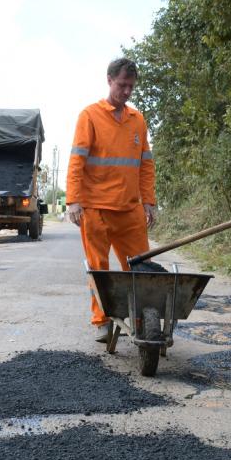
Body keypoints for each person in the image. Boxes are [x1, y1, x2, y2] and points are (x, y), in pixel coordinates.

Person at [66, 57, 157, 343]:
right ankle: (102, 320)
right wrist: (73, 200)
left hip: (129, 210)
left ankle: (144, 319)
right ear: (109, 81)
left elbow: (146, 165)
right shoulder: (90, 116)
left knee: (141, 268)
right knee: (99, 269)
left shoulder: (137, 121)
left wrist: (149, 202)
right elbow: (77, 161)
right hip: (95, 210)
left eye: (131, 86)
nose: (127, 91)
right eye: (122, 85)